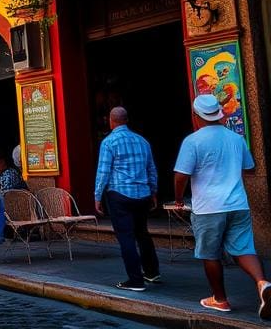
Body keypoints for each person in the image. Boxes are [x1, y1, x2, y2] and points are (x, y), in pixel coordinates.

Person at [174, 94, 271, 318]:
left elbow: (181, 176)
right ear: (219, 114)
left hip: (209, 207)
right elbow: (250, 168)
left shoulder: (193, 141)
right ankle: (263, 283)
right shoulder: (236, 139)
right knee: (244, 249)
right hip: (238, 204)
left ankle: (220, 299)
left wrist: (179, 198)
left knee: (211, 254)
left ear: (196, 115)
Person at [93, 106, 160, 291]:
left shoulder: (108, 143)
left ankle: (135, 279)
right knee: (142, 233)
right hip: (142, 194)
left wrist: (97, 196)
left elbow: (103, 172)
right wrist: (153, 191)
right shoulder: (142, 141)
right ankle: (152, 272)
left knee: (126, 237)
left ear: (111, 120)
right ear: (127, 119)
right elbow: (151, 169)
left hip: (120, 194)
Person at [0, 151, 28, 243]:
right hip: (7, 201)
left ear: (2, 163)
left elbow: (4, 193)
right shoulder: (2, 174)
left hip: (16, 203)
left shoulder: (10, 174)